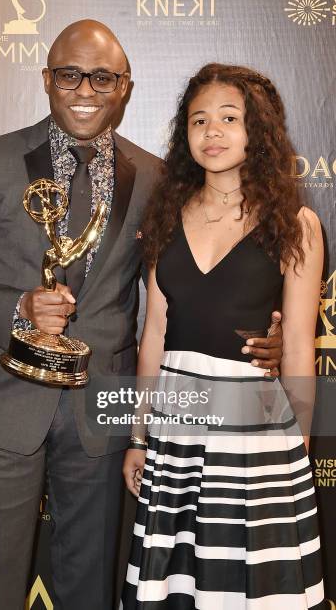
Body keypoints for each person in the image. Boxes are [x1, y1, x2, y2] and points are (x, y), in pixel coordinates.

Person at [0, 20, 282, 610]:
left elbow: (191, 279)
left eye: (102, 77)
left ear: (125, 87)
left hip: (103, 412)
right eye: (69, 74)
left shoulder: (156, 177)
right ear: (47, 79)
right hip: (3, 404)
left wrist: (266, 336)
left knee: (90, 589)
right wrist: (17, 305)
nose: (84, 90)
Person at [122, 64, 324, 609]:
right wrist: (140, 438)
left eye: (229, 119)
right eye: (199, 121)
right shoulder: (166, 217)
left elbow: (301, 343)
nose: (212, 132)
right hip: (177, 422)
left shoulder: (296, 223)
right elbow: (154, 334)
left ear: (257, 130)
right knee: (179, 581)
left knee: (249, 584)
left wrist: (297, 445)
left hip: (255, 434)